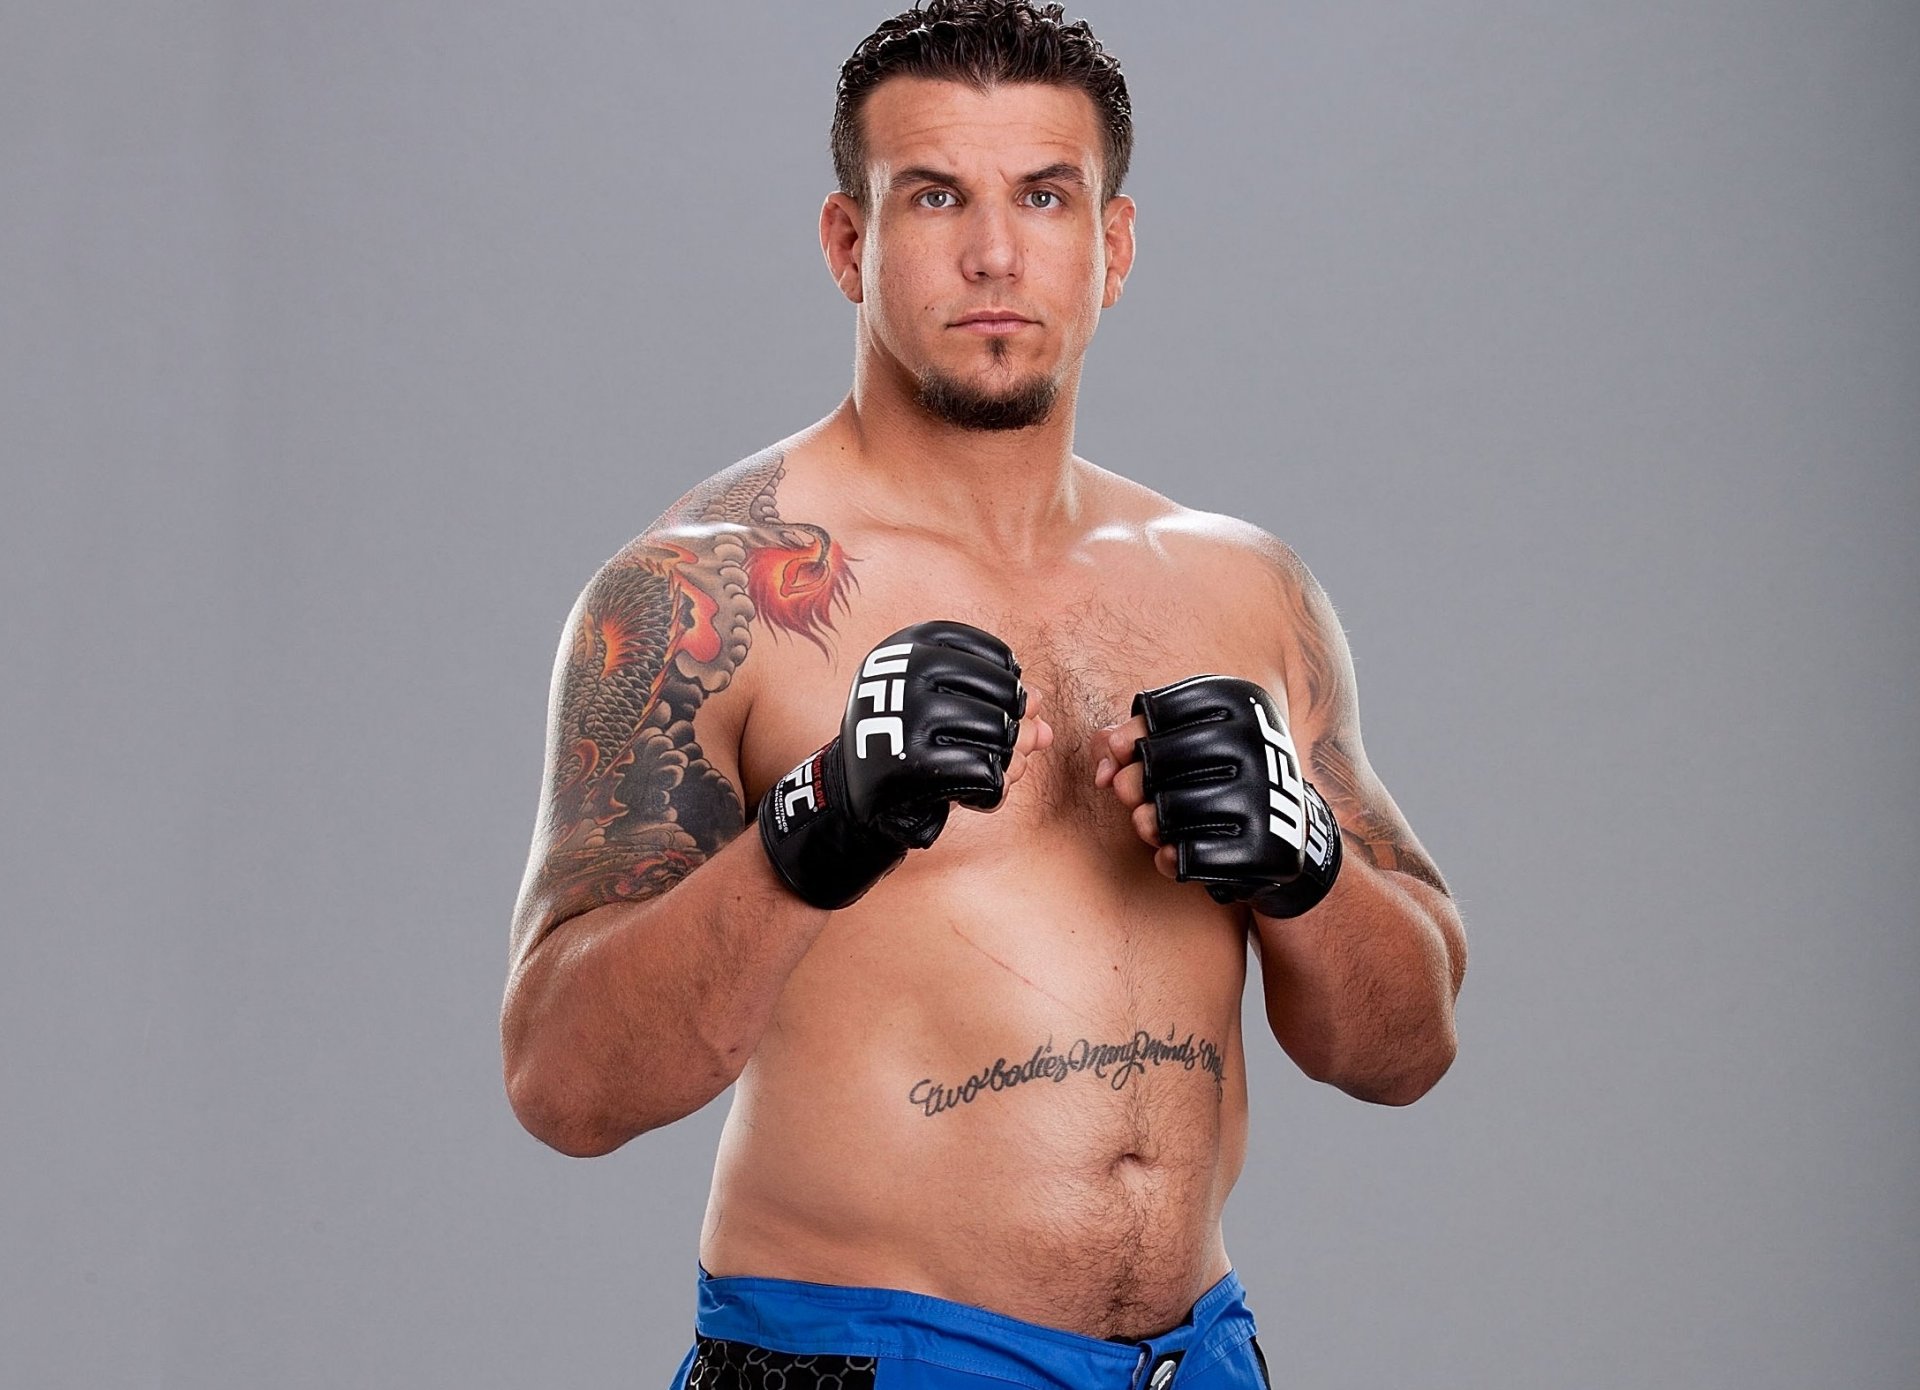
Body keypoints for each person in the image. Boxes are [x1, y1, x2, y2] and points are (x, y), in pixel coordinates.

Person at [501, 3, 1467, 1386]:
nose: (996, 253)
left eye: (1046, 196)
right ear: (850, 241)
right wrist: (817, 827)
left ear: (1113, 247)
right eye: (937, 195)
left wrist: (1307, 867)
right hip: (867, 1359)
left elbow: (1408, 1045)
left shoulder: (1242, 588)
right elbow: (565, 1084)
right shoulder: (702, 593)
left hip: (1200, 1356)